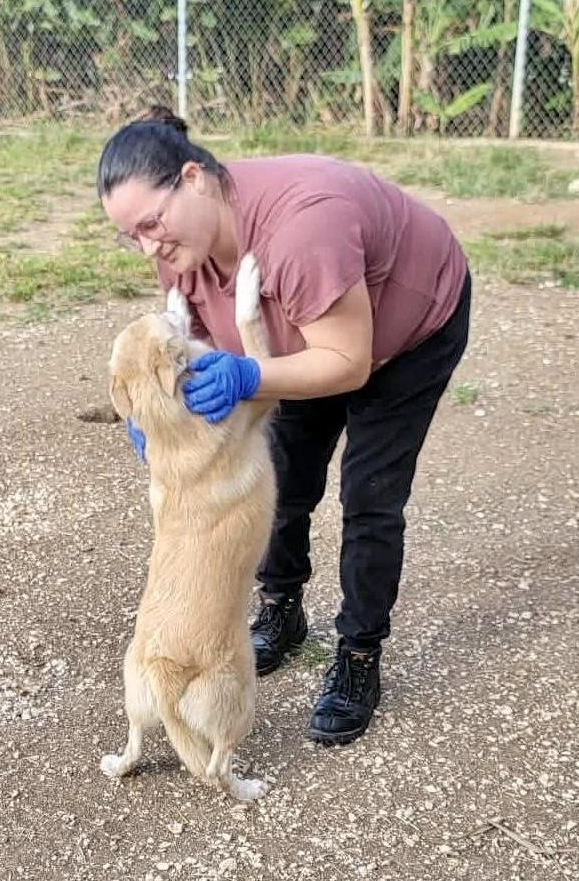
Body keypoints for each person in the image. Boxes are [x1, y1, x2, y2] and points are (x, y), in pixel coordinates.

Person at [96, 106, 471, 746]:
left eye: (152, 223)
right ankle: (283, 608)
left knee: (371, 497)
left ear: (194, 178)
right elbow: (205, 335)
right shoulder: (179, 249)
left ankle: (357, 655)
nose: (148, 247)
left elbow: (347, 364)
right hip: (306, 336)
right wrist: (162, 416)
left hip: (408, 333)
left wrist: (247, 378)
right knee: (287, 477)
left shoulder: (302, 230)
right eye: (132, 235)